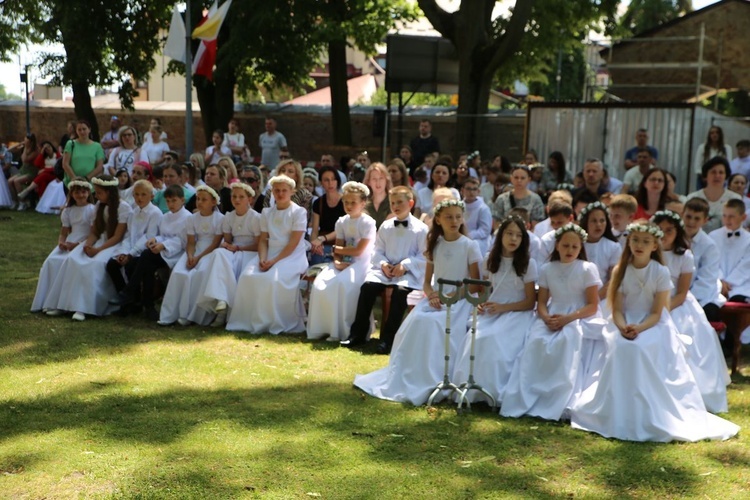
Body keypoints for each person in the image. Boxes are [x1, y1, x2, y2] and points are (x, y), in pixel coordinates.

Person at [570, 222, 739, 442]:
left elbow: (658, 312)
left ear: (654, 246)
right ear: (628, 241)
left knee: (640, 348)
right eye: (635, 240)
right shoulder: (620, 270)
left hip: (652, 324)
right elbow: (618, 309)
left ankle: (648, 409)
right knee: (621, 346)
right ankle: (621, 409)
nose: (639, 245)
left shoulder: (660, 271)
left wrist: (639, 328)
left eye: (645, 241)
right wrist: (623, 327)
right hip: (624, 322)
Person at [353, 199, 482, 405]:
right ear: (438, 219)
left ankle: (438, 376)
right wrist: (431, 295)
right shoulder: (435, 245)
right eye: (449, 216)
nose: (454, 221)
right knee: (416, 322)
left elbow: (475, 284)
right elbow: (427, 282)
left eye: (458, 217)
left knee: (436, 325)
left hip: (461, 300)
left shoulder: (469, 246)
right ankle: (412, 374)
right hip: (437, 299)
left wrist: (454, 296)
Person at [501, 223, 602, 421]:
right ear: (557, 246)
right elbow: (541, 303)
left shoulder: (587, 269)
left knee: (567, 341)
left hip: (577, 316)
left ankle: (559, 399)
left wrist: (568, 318)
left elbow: (592, 305)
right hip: (552, 314)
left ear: (581, 248)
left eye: (574, 247)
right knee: (537, 340)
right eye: (565, 246)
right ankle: (532, 395)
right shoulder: (547, 269)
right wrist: (546, 317)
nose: (569, 250)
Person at [452, 215, 537, 405]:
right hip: (492, 312)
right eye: (509, 234)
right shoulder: (490, 259)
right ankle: (471, 390)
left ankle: (494, 393)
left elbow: (530, 302)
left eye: (518, 235)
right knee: (476, 338)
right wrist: (482, 303)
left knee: (495, 341)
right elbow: (487, 291)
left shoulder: (528, 264)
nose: (513, 239)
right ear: (500, 236)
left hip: (516, 314)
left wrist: (503, 308)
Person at [651, 209, 730, 413]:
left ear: (678, 232)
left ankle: (691, 392)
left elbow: (682, 292)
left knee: (687, 337)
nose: (665, 234)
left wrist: (663, 309)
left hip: (677, 303)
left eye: (670, 230)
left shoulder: (684, 256)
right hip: (650, 303)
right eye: (660, 230)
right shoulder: (649, 254)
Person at [343, 186, 429, 354]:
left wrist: (405, 265)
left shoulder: (421, 228)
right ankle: (358, 334)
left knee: (400, 292)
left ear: (410, 203)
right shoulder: (386, 226)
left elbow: (424, 255)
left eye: (399, 202)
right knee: (367, 287)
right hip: (385, 271)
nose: (395, 206)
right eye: (392, 203)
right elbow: (377, 250)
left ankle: (388, 340)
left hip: (409, 274)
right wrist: (383, 263)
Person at [226, 174, 308, 334]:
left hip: (291, 256)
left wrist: (274, 261)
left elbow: (294, 242)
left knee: (272, 279)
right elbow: (263, 240)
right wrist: (263, 258)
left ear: (292, 191)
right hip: (268, 253)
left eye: (284, 190)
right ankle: (247, 321)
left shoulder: (299, 212)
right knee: (247, 276)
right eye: (277, 190)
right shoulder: (266, 212)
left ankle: (274, 322)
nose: (280, 194)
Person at [43, 175, 131, 320]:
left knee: (92, 265)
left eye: (99, 193)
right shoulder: (98, 205)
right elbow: (95, 231)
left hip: (112, 244)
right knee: (72, 259)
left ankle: (83, 308)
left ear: (109, 192)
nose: (96, 196)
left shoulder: (123, 207)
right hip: (98, 241)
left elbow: (117, 236)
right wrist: (88, 244)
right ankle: (64, 304)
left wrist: (98, 250)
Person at [307, 181, 377, 342]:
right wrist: (337, 261)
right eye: (346, 202)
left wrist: (337, 251)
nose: (349, 205)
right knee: (321, 283)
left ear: (363, 203)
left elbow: (359, 250)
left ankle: (344, 330)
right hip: (343, 261)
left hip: (362, 262)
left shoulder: (368, 223)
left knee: (344, 284)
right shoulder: (341, 221)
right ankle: (324, 327)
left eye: (353, 202)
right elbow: (339, 244)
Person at [115, 185, 191, 320]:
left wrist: (163, 245)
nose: (170, 204)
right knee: (140, 263)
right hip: (161, 251)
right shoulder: (166, 216)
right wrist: (155, 239)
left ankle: (130, 293)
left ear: (182, 200)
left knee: (146, 256)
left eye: (174, 201)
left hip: (177, 253)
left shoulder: (187, 218)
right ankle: (145, 304)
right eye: (168, 201)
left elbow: (182, 241)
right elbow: (162, 234)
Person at [195, 182, 261, 327]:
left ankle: (225, 310)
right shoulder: (229, 217)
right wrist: (227, 245)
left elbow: (258, 245)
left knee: (230, 260)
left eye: (241, 197)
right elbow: (228, 240)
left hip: (249, 253)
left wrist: (239, 247)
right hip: (235, 251)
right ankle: (222, 301)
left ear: (249, 199)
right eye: (234, 196)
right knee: (218, 253)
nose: (236, 200)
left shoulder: (255, 218)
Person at [158, 185, 224, 326]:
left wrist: (198, 258)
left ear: (213, 202)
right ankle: (171, 314)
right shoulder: (192, 219)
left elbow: (215, 243)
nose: (199, 202)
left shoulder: (220, 219)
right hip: (195, 250)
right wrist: (190, 255)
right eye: (198, 199)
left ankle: (192, 315)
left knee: (198, 274)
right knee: (178, 273)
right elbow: (191, 242)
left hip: (210, 251)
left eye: (204, 200)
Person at [31, 178, 95, 312]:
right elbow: (64, 232)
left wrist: (77, 244)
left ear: (89, 193)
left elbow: (93, 233)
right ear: (71, 194)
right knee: (52, 261)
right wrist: (61, 243)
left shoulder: (92, 210)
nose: (81, 195)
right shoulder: (68, 211)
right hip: (70, 241)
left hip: (84, 242)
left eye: (83, 192)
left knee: (68, 262)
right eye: (77, 192)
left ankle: (64, 303)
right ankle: (49, 300)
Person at [105, 179, 162, 299]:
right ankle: (125, 298)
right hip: (130, 249)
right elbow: (128, 235)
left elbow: (149, 237)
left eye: (143, 194)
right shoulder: (133, 213)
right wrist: (123, 252)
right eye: (136, 194)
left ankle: (134, 299)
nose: (139, 198)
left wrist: (130, 254)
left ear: (151, 196)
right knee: (112, 264)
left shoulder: (155, 213)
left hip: (143, 251)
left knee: (131, 265)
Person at [683, 198, 724, 323]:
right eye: (688, 216)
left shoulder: (709, 246)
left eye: (697, 218)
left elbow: (707, 279)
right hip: (675, 292)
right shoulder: (672, 238)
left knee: (704, 315)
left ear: (705, 221)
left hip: (700, 295)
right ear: (682, 214)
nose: (691, 222)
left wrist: (684, 300)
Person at [709, 199, 750, 304]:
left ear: (743, 217)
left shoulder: (748, 239)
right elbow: (711, 262)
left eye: (731, 216)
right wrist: (720, 280)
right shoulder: (713, 236)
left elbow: (746, 265)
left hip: (741, 285)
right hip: (716, 283)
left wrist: (729, 283)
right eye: (724, 216)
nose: (727, 220)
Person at [578, 202, 622, 301]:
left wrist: (594, 299)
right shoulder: (576, 245)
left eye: (602, 221)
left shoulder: (614, 247)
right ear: (586, 223)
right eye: (594, 221)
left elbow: (613, 280)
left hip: (603, 297)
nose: (598, 225)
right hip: (577, 296)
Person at [686, 157, 741, 233]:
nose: (717, 176)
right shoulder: (692, 197)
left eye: (721, 172)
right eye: (713, 172)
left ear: (726, 176)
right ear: (705, 176)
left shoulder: (734, 199)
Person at [309, 166, 345, 265]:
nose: (330, 183)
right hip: (323, 243)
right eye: (326, 180)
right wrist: (315, 244)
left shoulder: (346, 201)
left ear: (337, 181)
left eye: (333, 179)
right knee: (317, 257)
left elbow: (344, 229)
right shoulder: (318, 203)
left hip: (341, 242)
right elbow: (315, 230)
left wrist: (322, 238)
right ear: (321, 183)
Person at [17, 140, 59, 209]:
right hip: (45, 176)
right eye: (45, 148)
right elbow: (37, 163)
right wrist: (42, 153)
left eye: (49, 147)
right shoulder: (45, 157)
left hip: (55, 176)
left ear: (52, 147)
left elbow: (57, 168)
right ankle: (42, 202)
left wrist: (45, 169)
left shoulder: (57, 155)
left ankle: (27, 190)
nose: (48, 149)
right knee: (42, 181)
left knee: (43, 175)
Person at [462, 177, 493, 255]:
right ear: (463, 191)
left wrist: (468, 235)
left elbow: (485, 230)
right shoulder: (459, 206)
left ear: (478, 191)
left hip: (479, 240)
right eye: (468, 189)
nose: (471, 192)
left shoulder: (483, 208)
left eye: (474, 189)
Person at [8, 133, 39, 208]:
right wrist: (19, 144)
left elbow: (24, 160)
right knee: (10, 181)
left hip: (31, 172)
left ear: (31, 142)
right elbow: (9, 149)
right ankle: (15, 201)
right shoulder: (24, 146)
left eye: (26, 140)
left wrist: (25, 148)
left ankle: (23, 202)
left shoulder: (35, 151)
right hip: (23, 170)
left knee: (16, 181)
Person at [363, 163, 393, 229]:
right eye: (374, 179)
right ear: (368, 182)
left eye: (381, 178)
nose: (378, 182)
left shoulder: (393, 201)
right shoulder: (363, 204)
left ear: (386, 180)